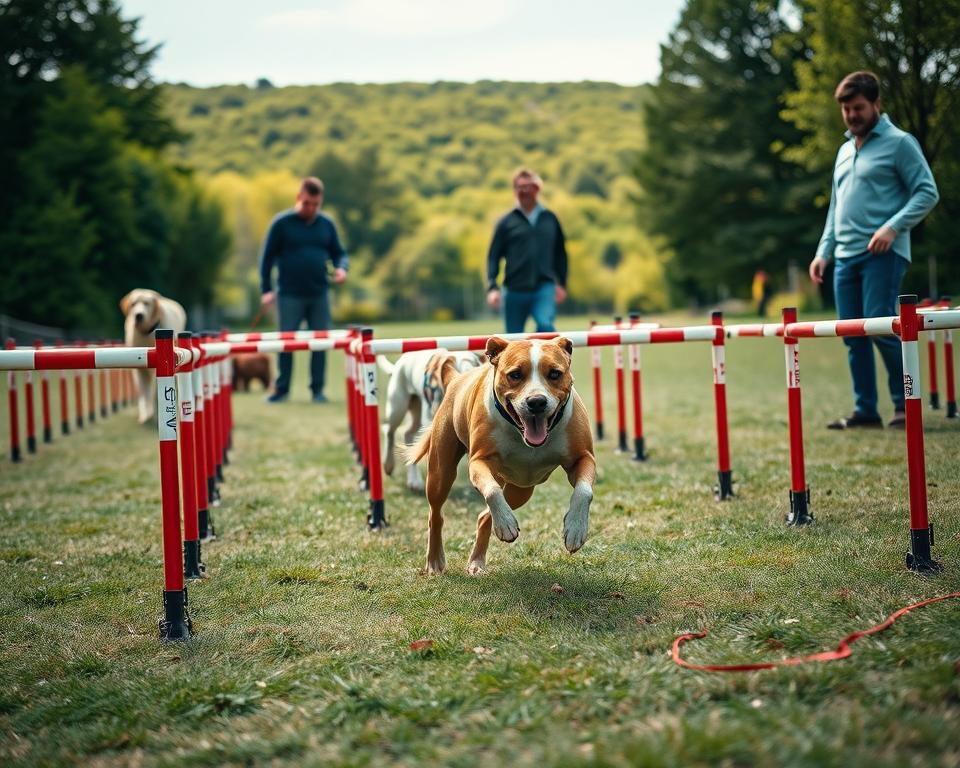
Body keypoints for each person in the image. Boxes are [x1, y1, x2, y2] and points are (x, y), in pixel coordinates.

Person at [808, 71, 939, 430]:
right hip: (844, 258)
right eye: (846, 109)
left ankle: (903, 404)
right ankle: (865, 410)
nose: (851, 115)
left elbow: (927, 192)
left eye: (858, 108)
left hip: (883, 253)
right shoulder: (844, 150)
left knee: (882, 326)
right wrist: (824, 252)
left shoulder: (900, 143)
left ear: (876, 105)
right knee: (852, 335)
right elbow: (837, 207)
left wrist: (892, 227)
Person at [259, 177, 348, 403]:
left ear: (320, 201)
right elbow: (267, 258)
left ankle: (317, 390)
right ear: (299, 197)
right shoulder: (281, 223)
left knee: (320, 342)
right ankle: (282, 389)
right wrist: (266, 289)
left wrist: (341, 268)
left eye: (315, 204)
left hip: (319, 294)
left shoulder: (326, 224)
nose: (311, 208)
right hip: (288, 294)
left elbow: (339, 252)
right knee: (285, 343)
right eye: (307, 203)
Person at [486, 168, 568, 333]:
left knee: (546, 327)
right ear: (514, 191)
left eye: (527, 186)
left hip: (544, 288)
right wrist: (492, 287)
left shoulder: (550, 219)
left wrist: (562, 284)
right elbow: (493, 256)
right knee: (514, 342)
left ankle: (540, 358)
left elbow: (561, 254)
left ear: (537, 189)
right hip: (514, 290)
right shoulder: (506, 222)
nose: (523, 191)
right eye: (519, 187)